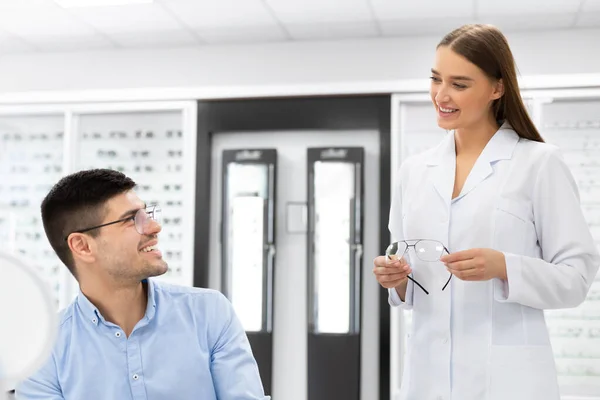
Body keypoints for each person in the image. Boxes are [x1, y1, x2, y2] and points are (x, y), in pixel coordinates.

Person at [373, 24, 600, 400]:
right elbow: (409, 278)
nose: (441, 95)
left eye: (459, 84)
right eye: (435, 79)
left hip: (509, 382)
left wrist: (504, 266)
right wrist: (395, 277)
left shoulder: (538, 163)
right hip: (427, 378)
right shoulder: (414, 171)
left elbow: (576, 278)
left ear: (497, 88)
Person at [15, 169, 270, 400]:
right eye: (131, 219)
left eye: (146, 214)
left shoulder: (210, 314)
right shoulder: (43, 354)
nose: (154, 227)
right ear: (82, 246)